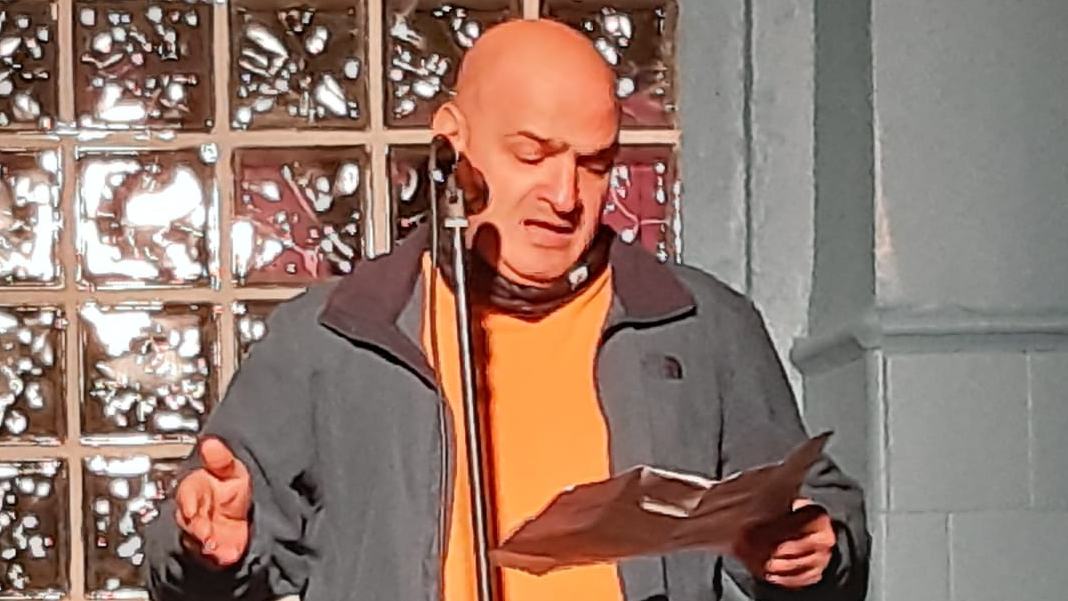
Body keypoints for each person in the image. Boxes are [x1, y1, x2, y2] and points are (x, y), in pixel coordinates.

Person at [145, 18, 869, 601]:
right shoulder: (337, 335)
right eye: (532, 154)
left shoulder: (699, 324)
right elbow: (193, 556)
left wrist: (815, 547)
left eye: (593, 163)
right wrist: (208, 549)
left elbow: (811, 506)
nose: (565, 195)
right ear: (453, 139)